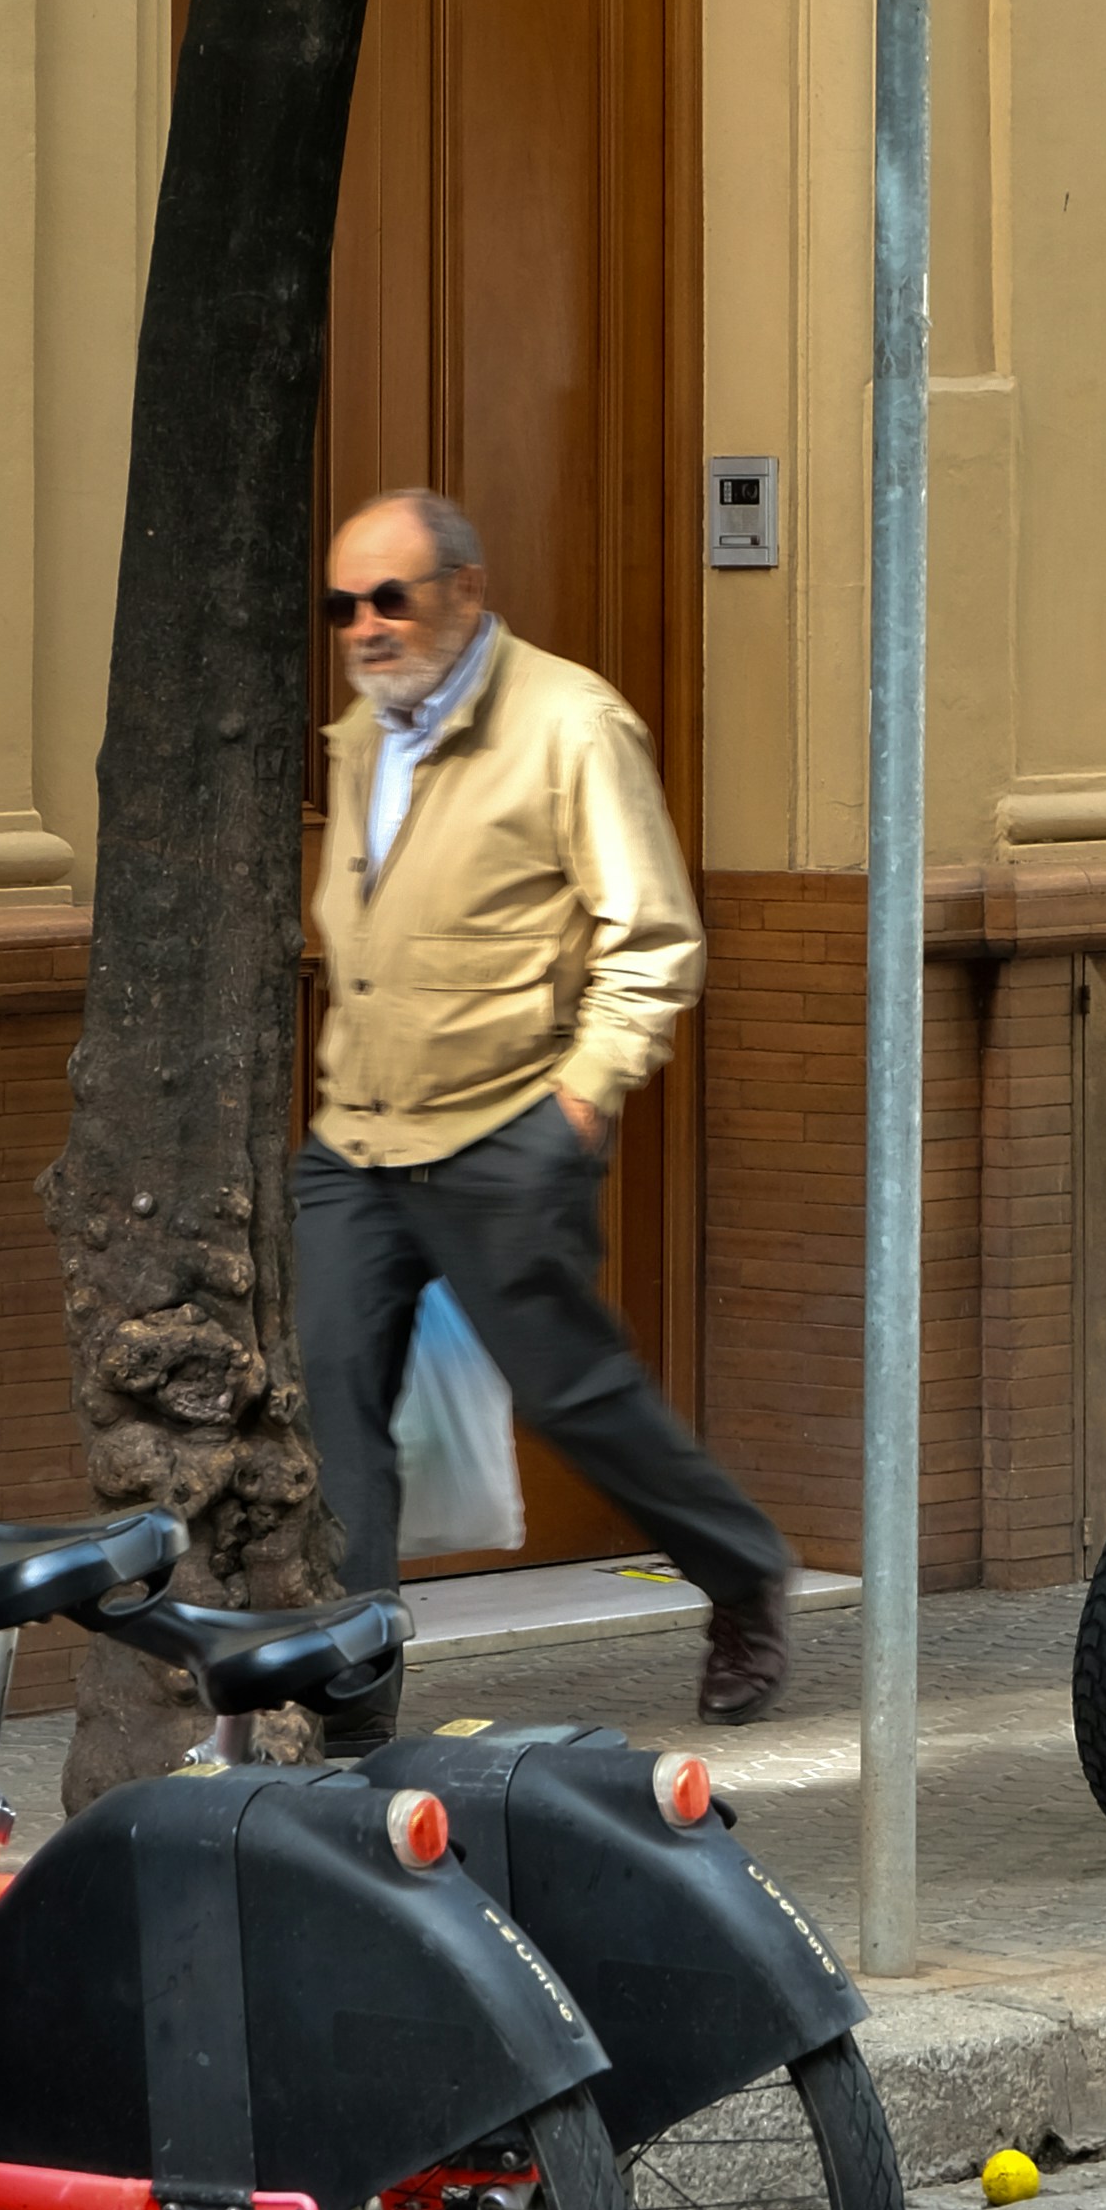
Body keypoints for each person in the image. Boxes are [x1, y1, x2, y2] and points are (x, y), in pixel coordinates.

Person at [294, 488, 794, 1731]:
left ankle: (741, 1568)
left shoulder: (572, 724)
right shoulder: (361, 736)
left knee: (570, 1393)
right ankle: (354, 1710)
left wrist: (581, 1096)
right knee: (332, 1412)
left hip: (505, 1126)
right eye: (343, 606)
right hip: (357, 1137)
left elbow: (652, 934)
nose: (365, 627)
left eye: (390, 598)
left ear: (465, 592)